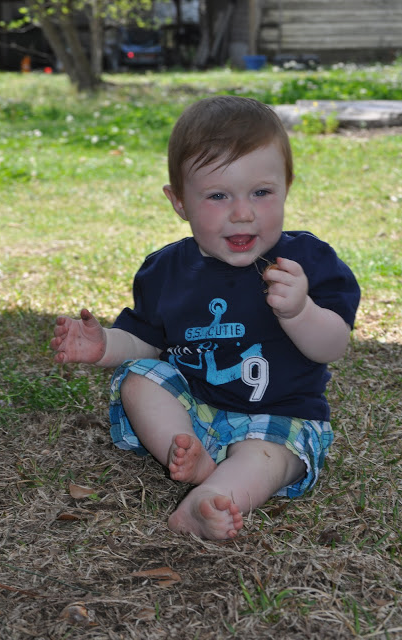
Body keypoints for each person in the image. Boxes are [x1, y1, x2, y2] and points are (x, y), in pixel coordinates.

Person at [51, 96, 360, 541]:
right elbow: (147, 342)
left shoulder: (308, 261)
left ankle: (212, 497)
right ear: (179, 202)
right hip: (194, 410)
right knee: (138, 378)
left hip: (279, 415)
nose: (243, 213)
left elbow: (332, 346)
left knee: (269, 455)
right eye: (218, 196)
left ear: (286, 186)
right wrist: (105, 346)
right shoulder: (165, 270)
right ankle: (185, 451)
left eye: (262, 192)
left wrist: (300, 311)